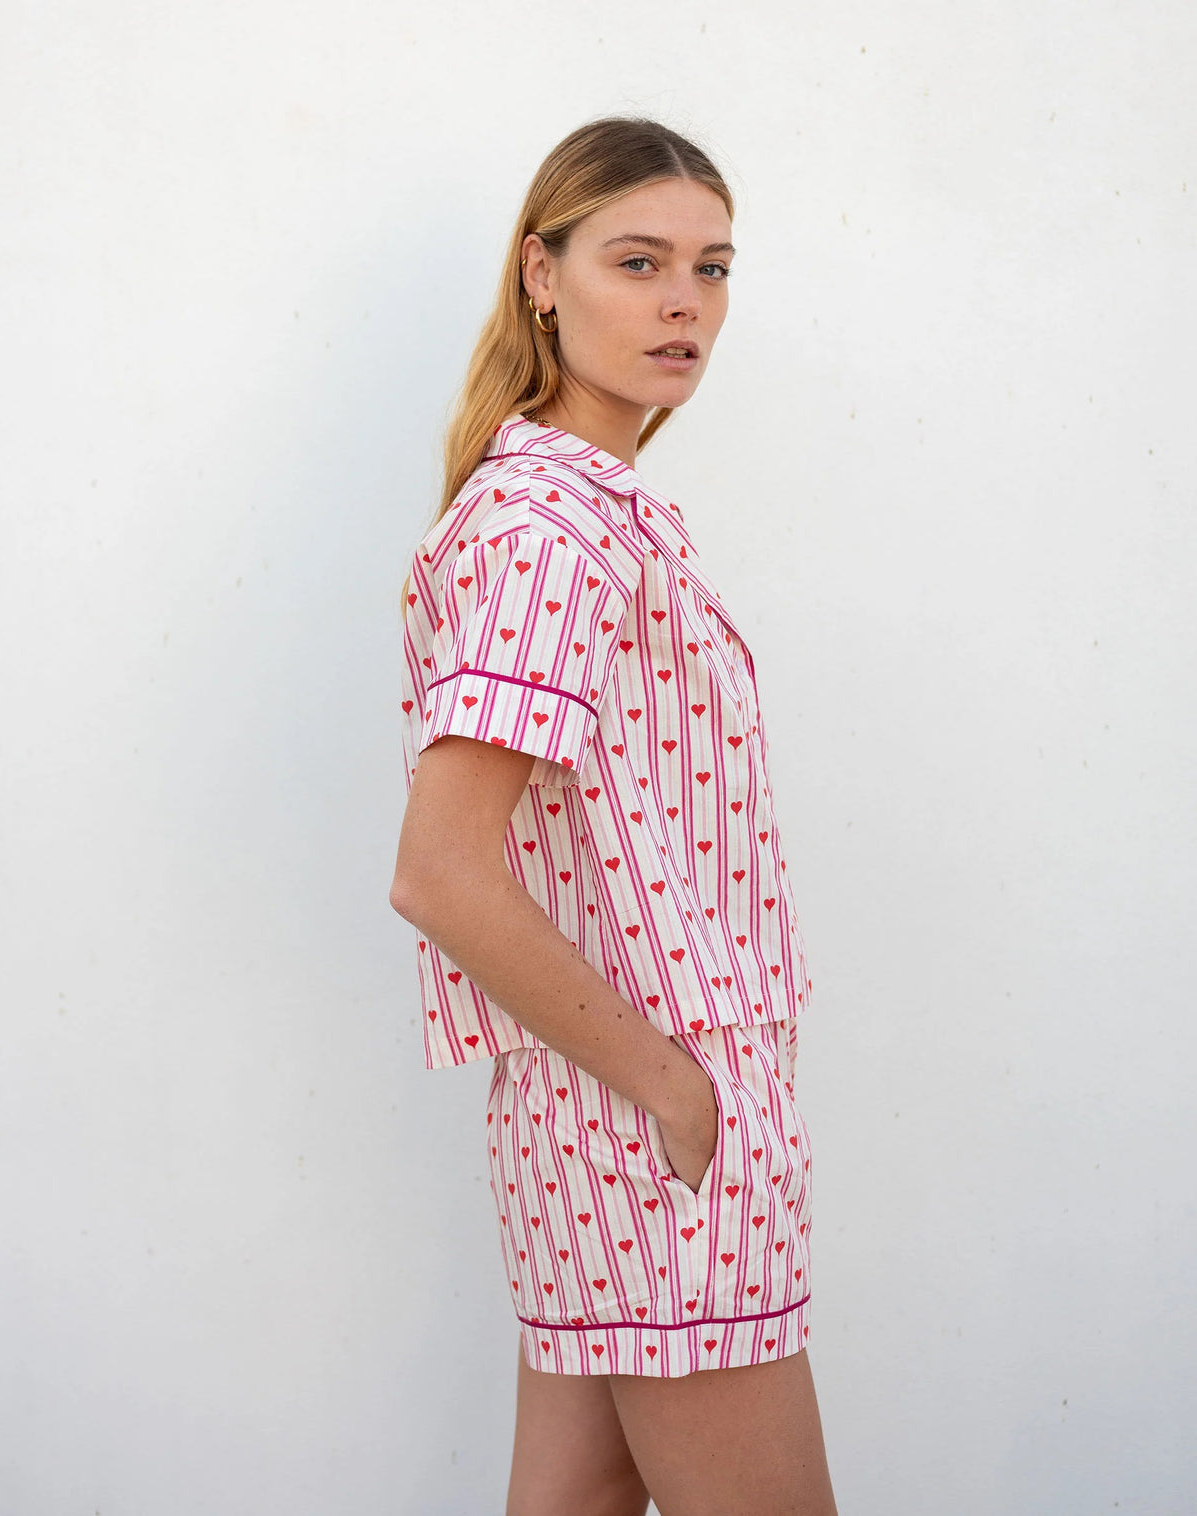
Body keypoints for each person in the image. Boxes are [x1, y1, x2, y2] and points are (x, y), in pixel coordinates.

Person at [390, 115, 838, 1516]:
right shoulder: (551, 530)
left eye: (710, 270)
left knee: (574, 1498)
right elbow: (442, 875)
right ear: (542, 272)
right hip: (653, 1124)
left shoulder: (592, 512)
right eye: (638, 262)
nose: (682, 305)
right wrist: (676, 1093)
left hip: (607, 1126)